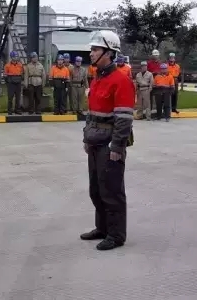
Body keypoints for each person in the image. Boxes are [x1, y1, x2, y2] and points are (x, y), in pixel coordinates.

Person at [81, 30, 135, 251]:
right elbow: (92, 113)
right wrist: (86, 137)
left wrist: (117, 146)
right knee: (96, 189)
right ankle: (102, 228)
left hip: (109, 144)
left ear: (109, 52)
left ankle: (116, 235)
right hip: (95, 141)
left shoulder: (121, 81)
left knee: (111, 191)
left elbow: (124, 118)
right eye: (92, 49)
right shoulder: (97, 78)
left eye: (95, 49)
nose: (91, 53)